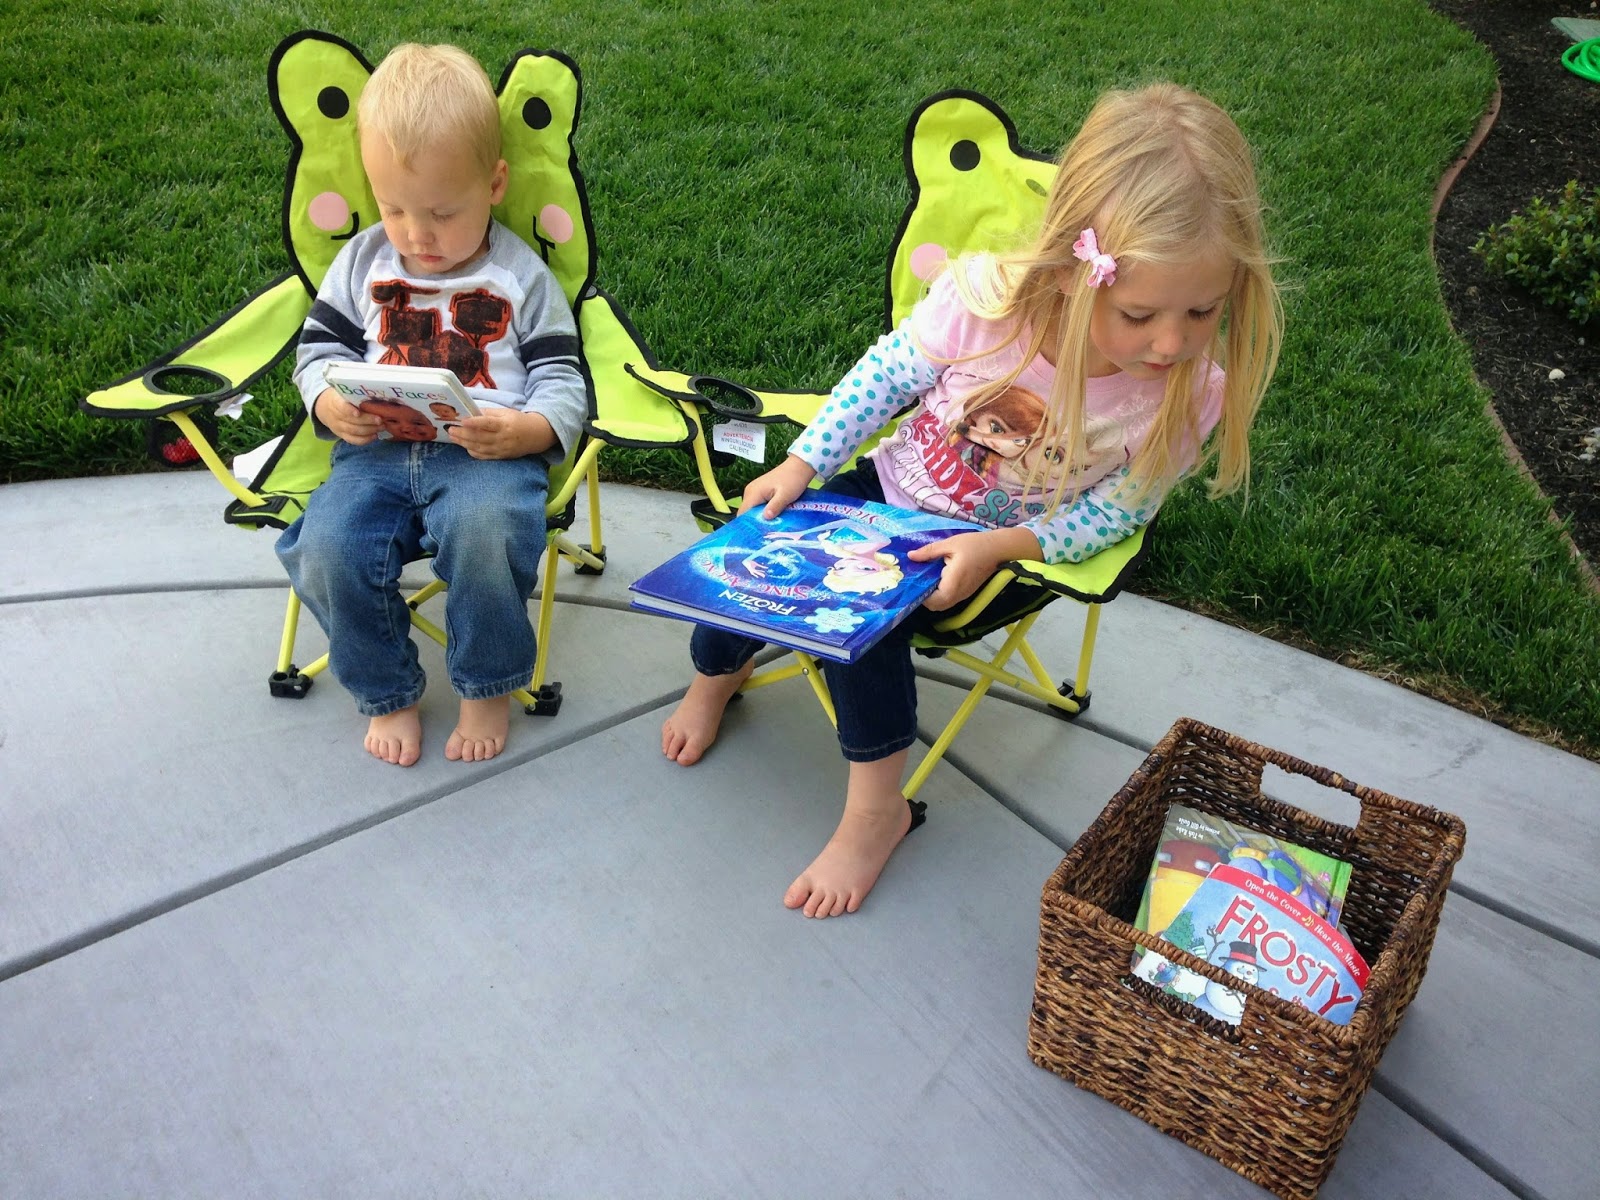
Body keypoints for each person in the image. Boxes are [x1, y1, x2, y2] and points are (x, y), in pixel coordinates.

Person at [661, 83, 1282, 917]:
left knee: (862, 629)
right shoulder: (989, 304)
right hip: (887, 490)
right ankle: (714, 677)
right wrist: (805, 465)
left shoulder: (1180, 393)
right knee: (743, 552)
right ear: (1075, 271)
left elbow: (1117, 513)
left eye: (1202, 311)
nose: (1170, 342)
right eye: (1139, 314)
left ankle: (875, 815)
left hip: (997, 551)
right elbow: (883, 379)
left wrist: (1001, 548)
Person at [276, 43, 586, 767]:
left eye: (443, 213)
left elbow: (565, 382)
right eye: (393, 207)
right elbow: (314, 356)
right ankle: (388, 689)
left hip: (485, 456)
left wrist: (528, 430)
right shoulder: (361, 262)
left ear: (496, 183)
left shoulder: (522, 277)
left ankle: (486, 684)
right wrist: (328, 403)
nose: (417, 233)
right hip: (375, 452)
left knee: (487, 533)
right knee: (325, 550)